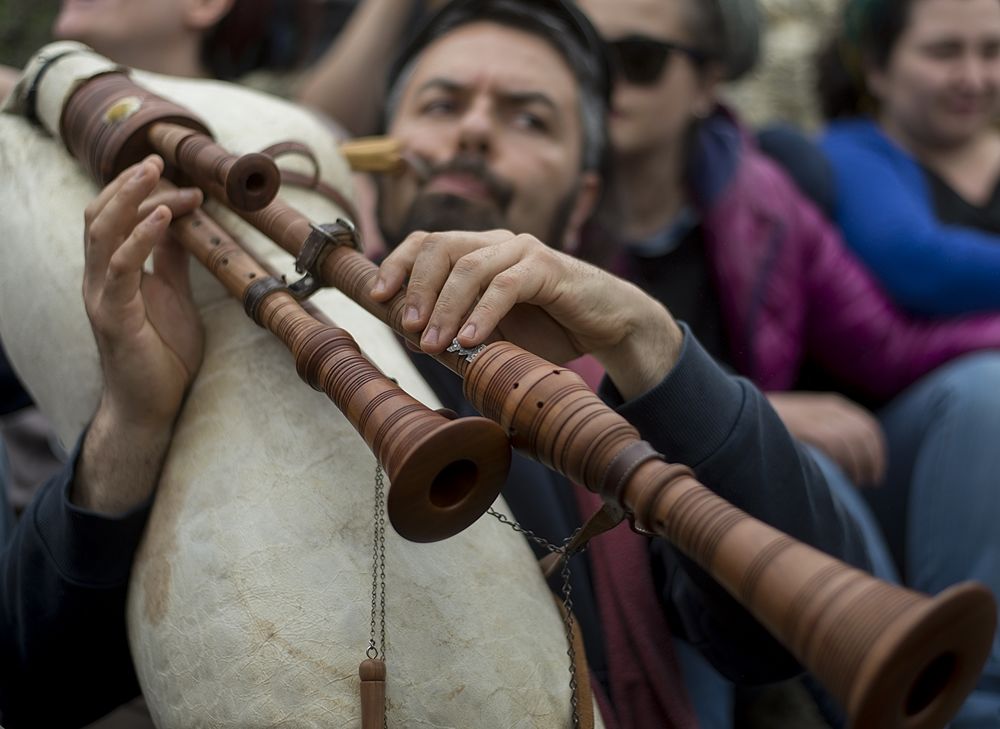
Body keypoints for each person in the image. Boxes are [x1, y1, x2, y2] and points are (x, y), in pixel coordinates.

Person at [0, 2, 924, 728]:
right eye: (443, 104)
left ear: (581, 199)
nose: (477, 130)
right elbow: (31, 681)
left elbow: (766, 638)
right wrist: (133, 425)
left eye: (529, 117)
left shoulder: (628, 389)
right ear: (375, 164)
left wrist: (649, 339)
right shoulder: (220, 343)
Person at [570, 0, 1000, 725]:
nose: (603, 83)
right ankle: (901, 694)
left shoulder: (761, 197)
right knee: (765, 472)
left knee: (986, 390)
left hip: (781, 486)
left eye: (637, 60)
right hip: (643, 496)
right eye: (582, 57)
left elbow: (884, 343)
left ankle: (968, 693)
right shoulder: (546, 202)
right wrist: (755, 412)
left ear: (708, 83)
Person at [817, 0, 1000, 316]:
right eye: (944, 52)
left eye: (992, 51)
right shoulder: (847, 155)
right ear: (876, 66)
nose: (973, 79)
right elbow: (919, 265)